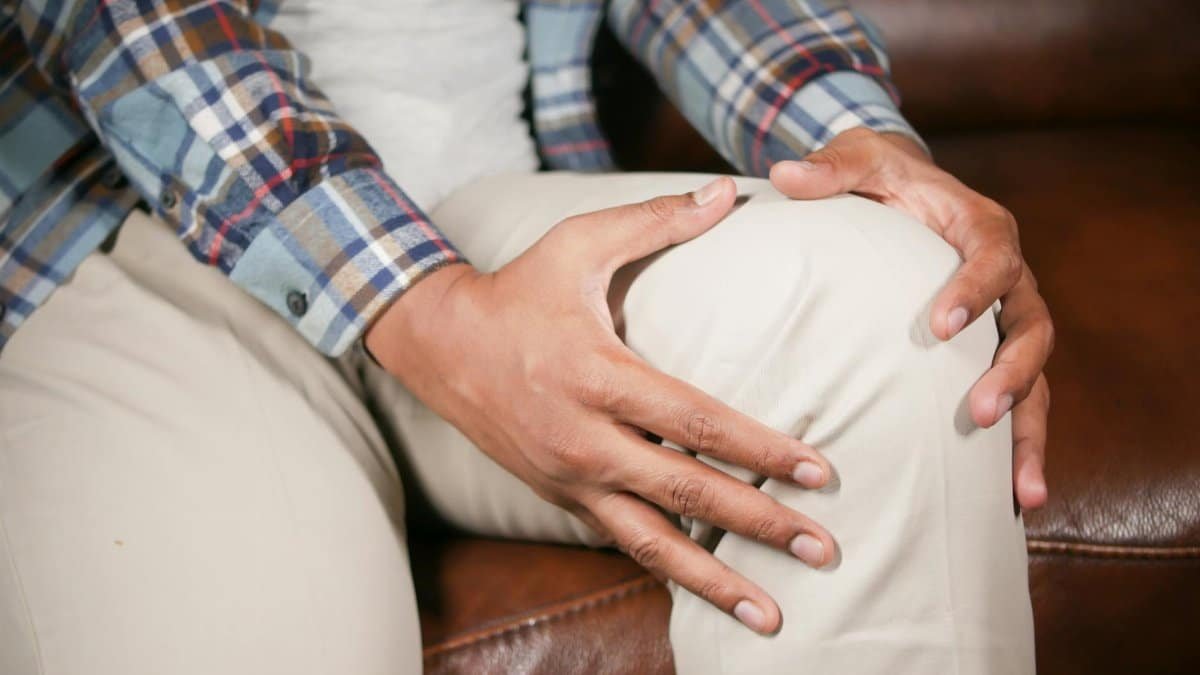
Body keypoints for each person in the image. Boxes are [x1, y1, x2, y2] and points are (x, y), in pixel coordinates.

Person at [0, 0, 1054, 673]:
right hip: (140, 237)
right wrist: (422, 309)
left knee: (901, 306)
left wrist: (860, 148)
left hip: (495, 199)